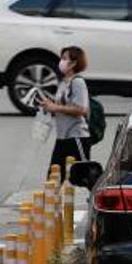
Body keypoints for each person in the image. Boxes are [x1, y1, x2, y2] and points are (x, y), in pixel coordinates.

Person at [40, 45, 91, 179]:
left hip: (76, 138)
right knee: (53, 178)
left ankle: (100, 198)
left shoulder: (78, 82)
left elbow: (82, 109)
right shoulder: (63, 83)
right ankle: (51, 200)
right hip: (62, 138)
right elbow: (61, 106)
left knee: (84, 178)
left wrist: (55, 108)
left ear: (74, 63)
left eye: (64, 58)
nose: (61, 62)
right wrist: (49, 106)